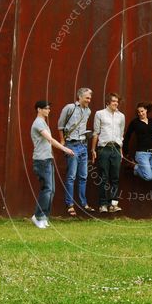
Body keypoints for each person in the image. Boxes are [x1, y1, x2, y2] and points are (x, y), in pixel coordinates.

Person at [30, 100, 75, 228]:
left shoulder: (43, 122)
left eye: (49, 108)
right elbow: (49, 139)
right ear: (39, 109)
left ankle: (43, 217)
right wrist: (65, 148)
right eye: (46, 108)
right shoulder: (38, 123)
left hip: (47, 159)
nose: (48, 110)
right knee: (47, 189)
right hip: (41, 160)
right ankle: (38, 217)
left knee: (51, 190)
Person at [57, 88, 94, 216]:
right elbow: (60, 125)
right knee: (71, 176)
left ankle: (83, 203)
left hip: (83, 145)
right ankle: (70, 204)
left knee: (83, 176)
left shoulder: (88, 111)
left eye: (90, 98)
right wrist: (62, 141)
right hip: (71, 145)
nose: (89, 100)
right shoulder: (69, 108)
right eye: (87, 98)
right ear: (80, 97)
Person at [91, 93, 125, 213]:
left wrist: (121, 152)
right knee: (104, 177)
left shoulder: (121, 116)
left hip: (116, 148)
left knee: (115, 178)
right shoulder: (99, 114)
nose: (116, 103)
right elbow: (96, 132)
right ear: (108, 103)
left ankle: (113, 204)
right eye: (113, 101)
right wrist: (93, 150)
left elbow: (121, 136)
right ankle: (103, 204)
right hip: (104, 148)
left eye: (117, 101)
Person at [123, 101, 152, 182]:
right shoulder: (135, 122)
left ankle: (135, 169)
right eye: (138, 112)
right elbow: (127, 136)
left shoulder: (151, 121)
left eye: (142, 111)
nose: (140, 113)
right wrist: (126, 151)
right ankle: (134, 166)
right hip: (141, 153)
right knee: (148, 177)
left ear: (146, 110)